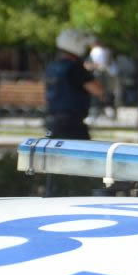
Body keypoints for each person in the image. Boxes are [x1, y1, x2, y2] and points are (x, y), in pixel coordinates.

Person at [44, 29, 105, 196]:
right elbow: (98, 90)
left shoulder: (52, 67)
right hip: (73, 124)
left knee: (55, 169)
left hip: (53, 122)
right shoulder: (75, 68)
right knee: (84, 166)